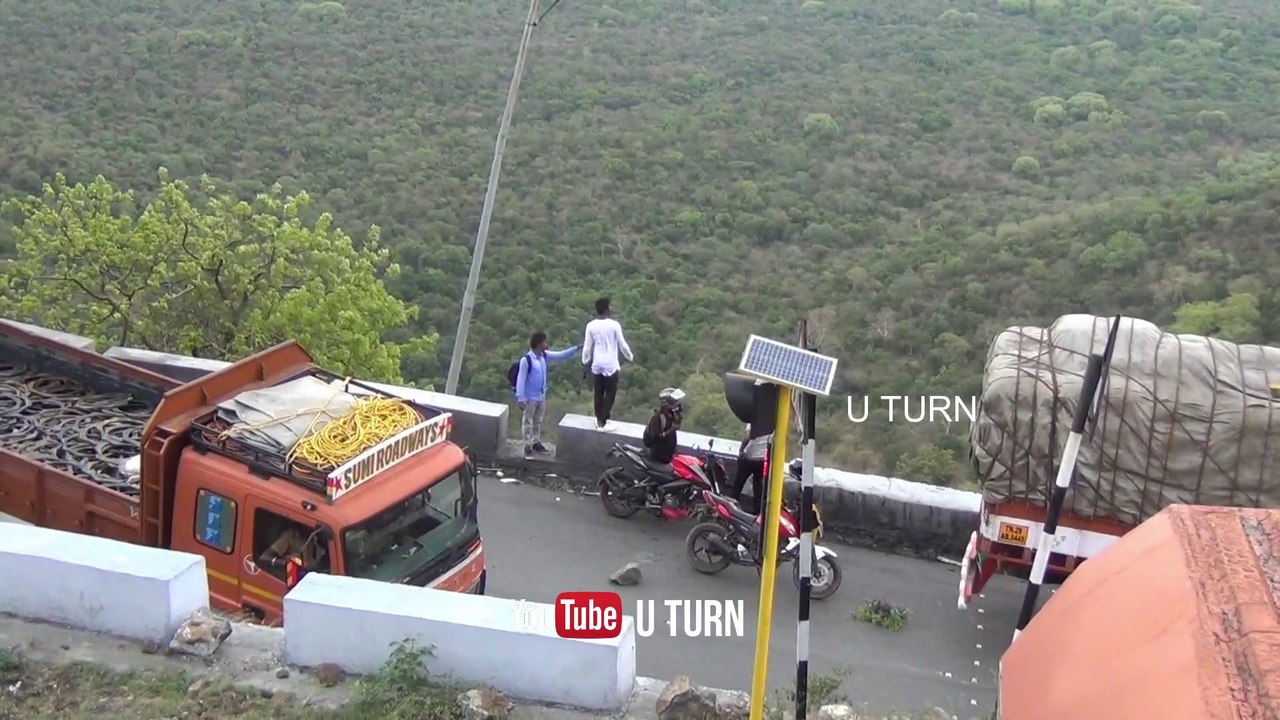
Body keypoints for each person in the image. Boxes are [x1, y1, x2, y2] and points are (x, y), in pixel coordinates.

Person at [515, 331, 579, 457]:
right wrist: (520, 398)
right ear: (538, 344)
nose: (546, 344)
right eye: (544, 342)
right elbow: (520, 379)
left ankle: (536, 441)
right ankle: (527, 444)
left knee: (538, 421)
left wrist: (575, 349)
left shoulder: (543, 356)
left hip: (541, 396)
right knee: (528, 421)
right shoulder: (526, 360)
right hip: (529, 398)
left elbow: (560, 355)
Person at [582, 296, 633, 431]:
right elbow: (622, 344)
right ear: (607, 309)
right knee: (610, 393)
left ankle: (599, 419)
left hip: (597, 364)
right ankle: (604, 420)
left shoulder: (591, 326)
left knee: (598, 392)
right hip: (611, 364)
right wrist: (630, 356)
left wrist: (585, 361)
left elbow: (587, 348)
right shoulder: (614, 325)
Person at [260, 523, 324, 576]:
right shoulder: (290, 536)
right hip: (291, 576)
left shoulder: (315, 537)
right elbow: (264, 557)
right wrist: (284, 563)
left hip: (311, 575)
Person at [729, 423, 766, 513]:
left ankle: (731, 507)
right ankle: (757, 511)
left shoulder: (754, 420)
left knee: (738, 483)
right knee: (758, 486)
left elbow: (747, 436)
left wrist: (741, 450)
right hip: (761, 458)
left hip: (749, 457)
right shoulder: (771, 423)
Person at [643, 388, 685, 464]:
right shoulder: (658, 417)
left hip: (668, 455)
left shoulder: (672, 415)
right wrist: (671, 430)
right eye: (675, 402)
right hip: (657, 457)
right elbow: (656, 437)